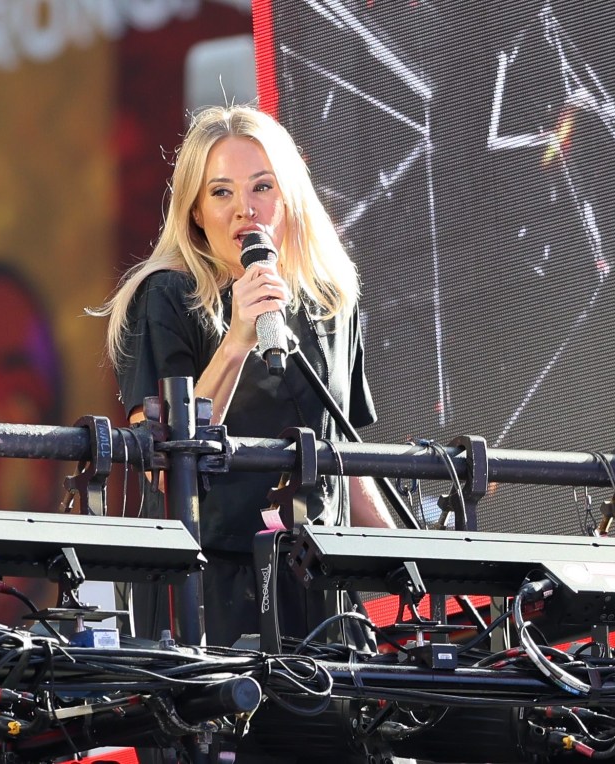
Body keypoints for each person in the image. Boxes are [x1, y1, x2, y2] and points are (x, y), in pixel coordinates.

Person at [93, 103, 396, 650]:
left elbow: (344, 457)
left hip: (319, 579)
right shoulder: (164, 297)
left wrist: (407, 560)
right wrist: (236, 340)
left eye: (261, 186)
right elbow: (164, 466)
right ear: (194, 212)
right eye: (221, 192)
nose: (244, 211)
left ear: (289, 197)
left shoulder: (330, 302)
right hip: (206, 579)